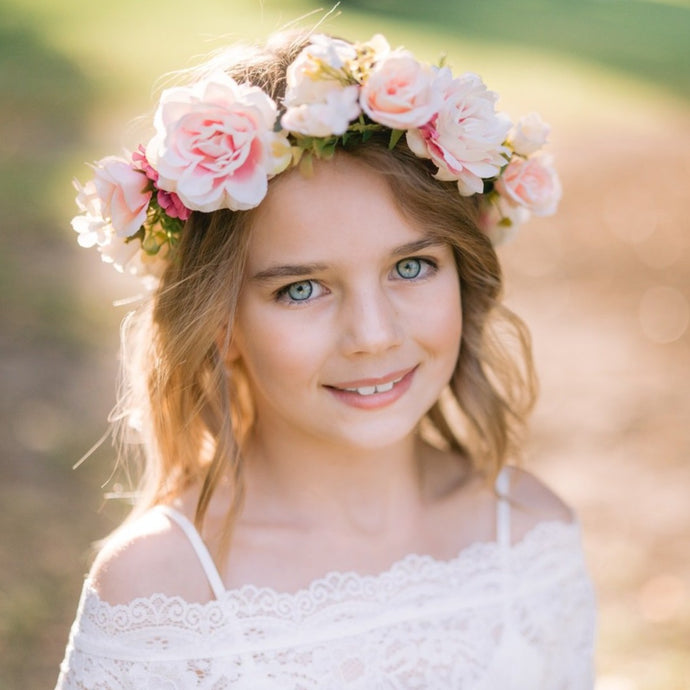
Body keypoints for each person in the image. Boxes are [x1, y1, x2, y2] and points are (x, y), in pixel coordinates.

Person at [57, 29, 596, 689]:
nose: (372, 336)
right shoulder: (161, 594)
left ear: (466, 274)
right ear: (221, 324)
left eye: (411, 266)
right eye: (301, 289)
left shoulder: (529, 535)